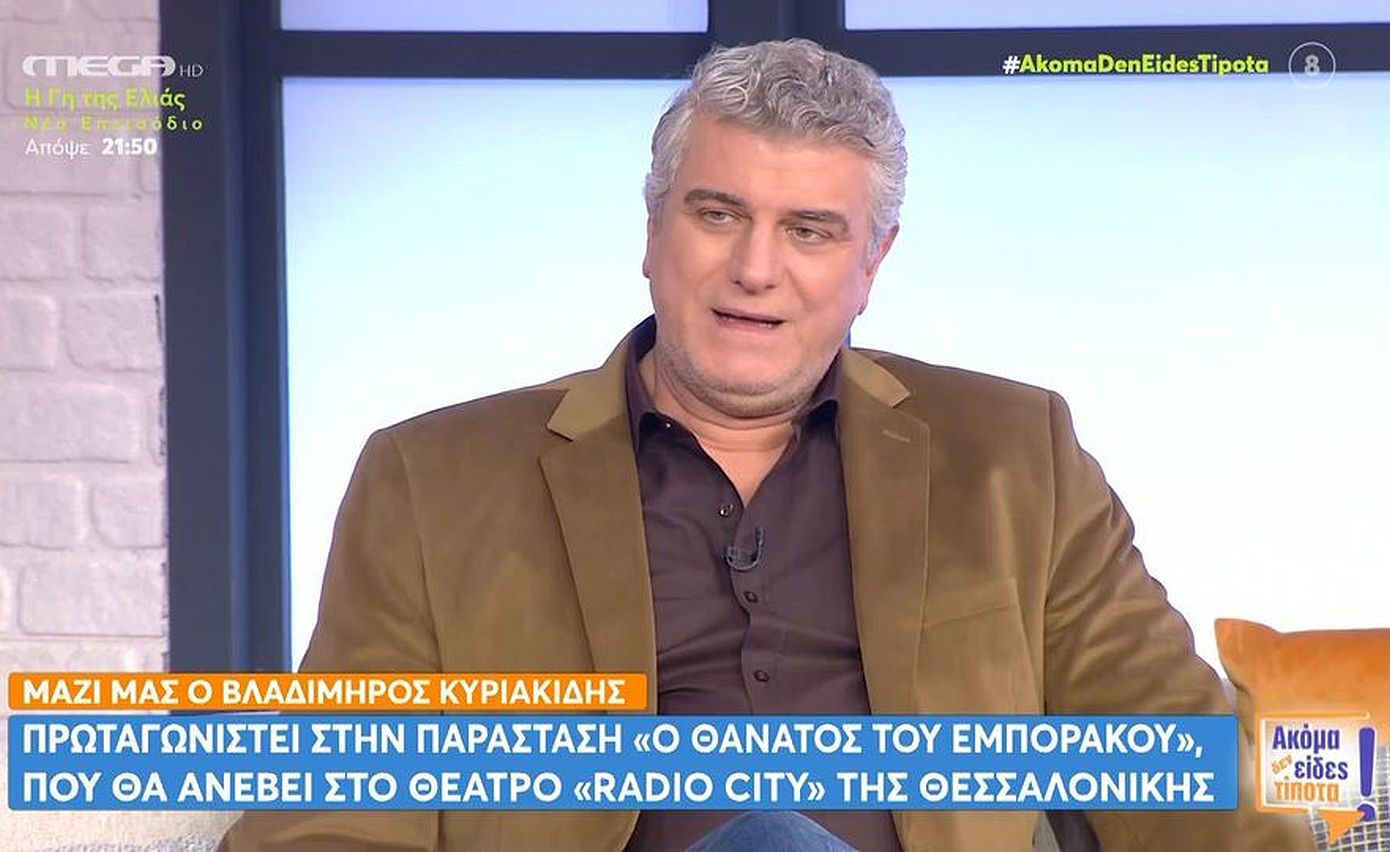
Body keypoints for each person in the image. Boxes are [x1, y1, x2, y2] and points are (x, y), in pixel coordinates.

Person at [221, 39, 1313, 851]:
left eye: (809, 231)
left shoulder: (1012, 454)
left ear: (872, 263)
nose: (755, 269)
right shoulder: (432, 480)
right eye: (717, 214)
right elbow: (331, 813)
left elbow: (1179, 761)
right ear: (652, 232)